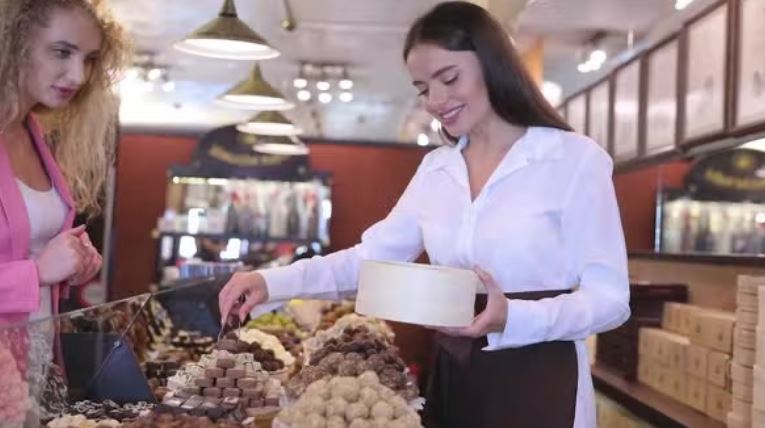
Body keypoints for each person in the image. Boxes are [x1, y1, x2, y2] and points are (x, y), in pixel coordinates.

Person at [219, 2, 630, 427]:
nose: (435, 100)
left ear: (491, 63)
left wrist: (515, 317)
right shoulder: (437, 169)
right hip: (456, 375)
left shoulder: (574, 160)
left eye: (449, 78)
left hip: (542, 379)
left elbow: (611, 300)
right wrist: (270, 281)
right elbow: (371, 261)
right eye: (422, 88)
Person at [0, 0, 130, 324]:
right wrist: (37, 272)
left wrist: (72, 258)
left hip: (31, 356)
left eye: (89, 60)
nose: (78, 75)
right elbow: (33, 268)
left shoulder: (32, 134)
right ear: (14, 43)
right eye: (61, 52)